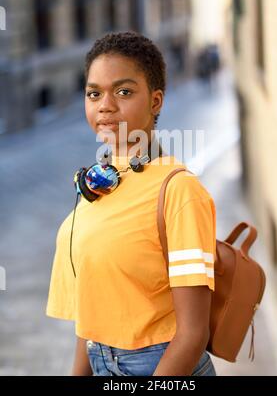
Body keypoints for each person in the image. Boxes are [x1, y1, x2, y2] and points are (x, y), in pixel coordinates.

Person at [46, 31, 217, 376]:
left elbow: (193, 333)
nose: (105, 105)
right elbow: (92, 314)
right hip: (101, 360)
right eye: (94, 93)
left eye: (123, 92)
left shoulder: (179, 191)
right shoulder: (98, 184)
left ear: (155, 101)